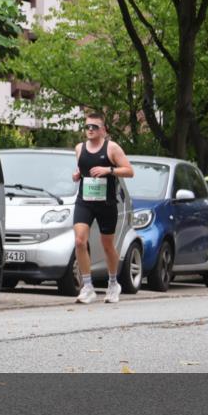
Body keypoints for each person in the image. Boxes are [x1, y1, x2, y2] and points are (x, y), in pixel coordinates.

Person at [71, 111, 134, 304]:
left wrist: (109, 170)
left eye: (94, 127)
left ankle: (113, 283)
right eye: (87, 126)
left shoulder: (112, 148)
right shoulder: (80, 148)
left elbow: (130, 171)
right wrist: (77, 175)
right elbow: (82, 170)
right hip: (85, 201)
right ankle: (88, 287)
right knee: (80, 241)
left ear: (103, 130)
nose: (90, 130)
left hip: (106, 203)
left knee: (107, 245)